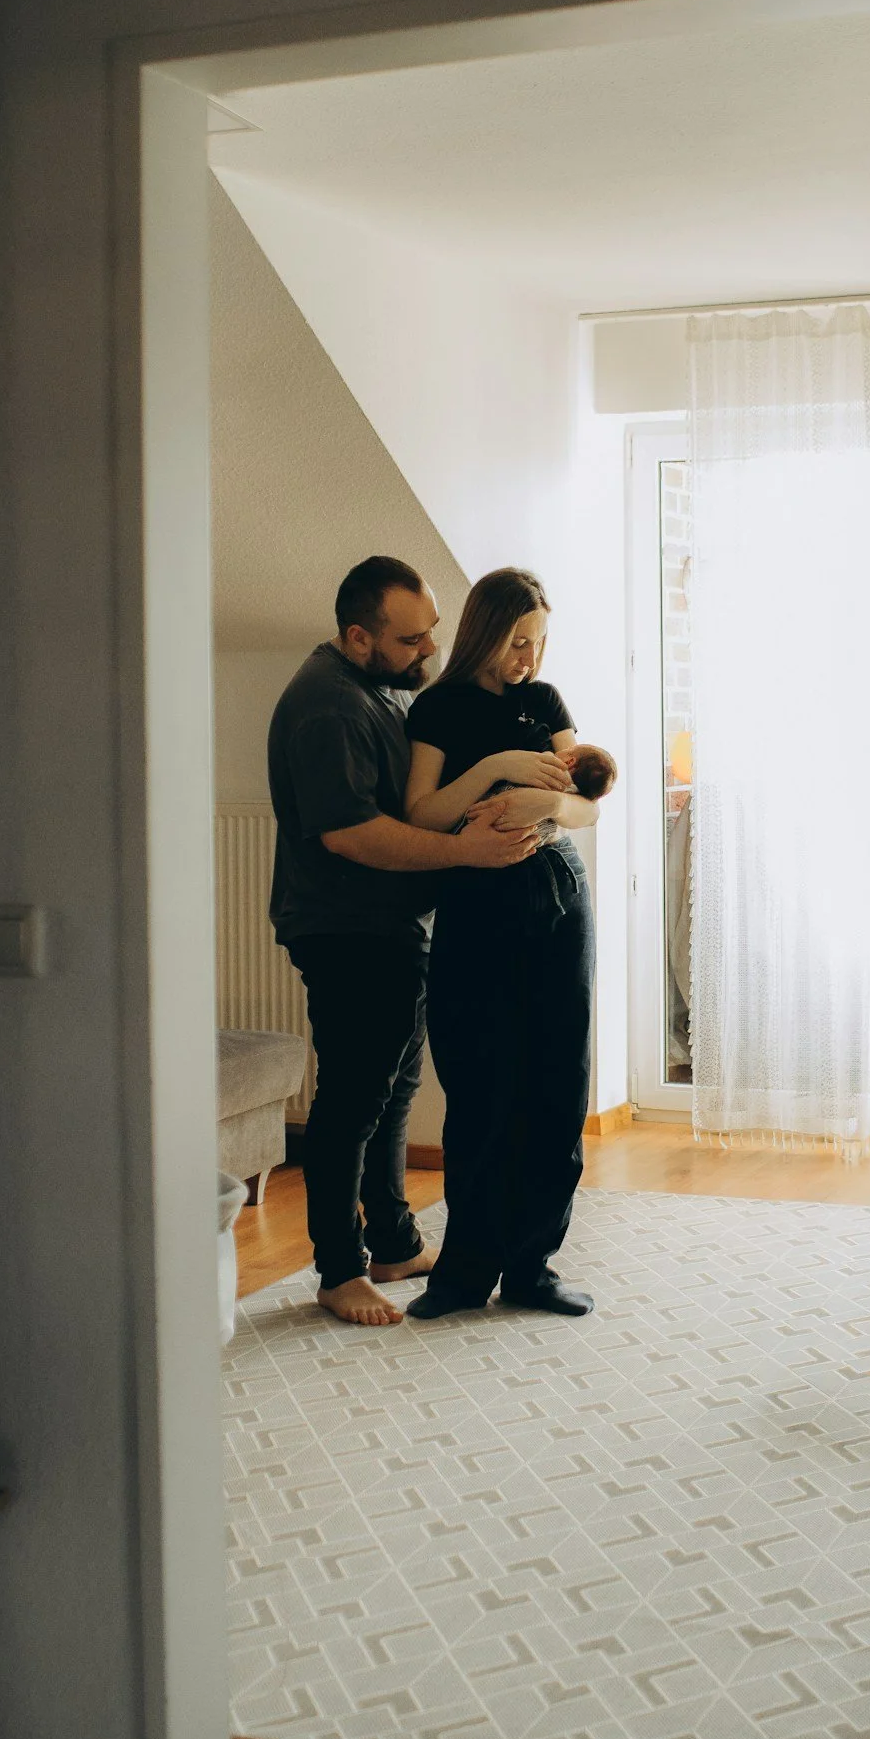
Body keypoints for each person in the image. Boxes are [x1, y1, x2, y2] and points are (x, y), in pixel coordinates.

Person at [267, 556, 541, 1328]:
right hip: (344, 926)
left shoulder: (378, 688)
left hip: (390, 922)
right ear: (359, 637)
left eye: (431, 634)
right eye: (411, 639)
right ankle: (337, 1269)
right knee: (354, 1099)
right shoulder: (328, 707)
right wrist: (467, 851)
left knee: (393, 1091)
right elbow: (352, 835)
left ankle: (391, 1241)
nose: (428, 650)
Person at [401, 567, 609, 1320]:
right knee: (480, 1086)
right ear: (484, 632)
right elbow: (422, 812)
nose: (529, 658)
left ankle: (533, 1269)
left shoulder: (545, 704)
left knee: (556, 1083)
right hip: (477, 903)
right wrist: (493, 768)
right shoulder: (438, 708)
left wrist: (539, 799)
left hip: (556, 896)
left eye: (539, 642)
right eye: (517, 641)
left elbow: (586, 806)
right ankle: (462, 1273)